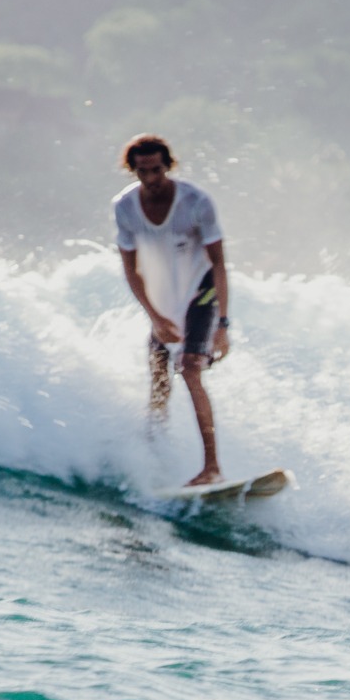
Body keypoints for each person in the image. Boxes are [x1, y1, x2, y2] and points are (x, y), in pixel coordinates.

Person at [113, 133, 231, 486]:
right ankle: (155, 464)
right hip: (162, 303)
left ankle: (212, 468)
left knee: (191, 368)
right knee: (159, 384)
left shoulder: (196, 202)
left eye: (156, 169)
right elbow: (130, 270)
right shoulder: (124, 207)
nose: (150, 177)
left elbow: (219, 264)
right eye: (142, 171)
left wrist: (222, 325)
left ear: (168, 165)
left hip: (200, 292)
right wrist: (154, 316)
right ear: (133, 170)